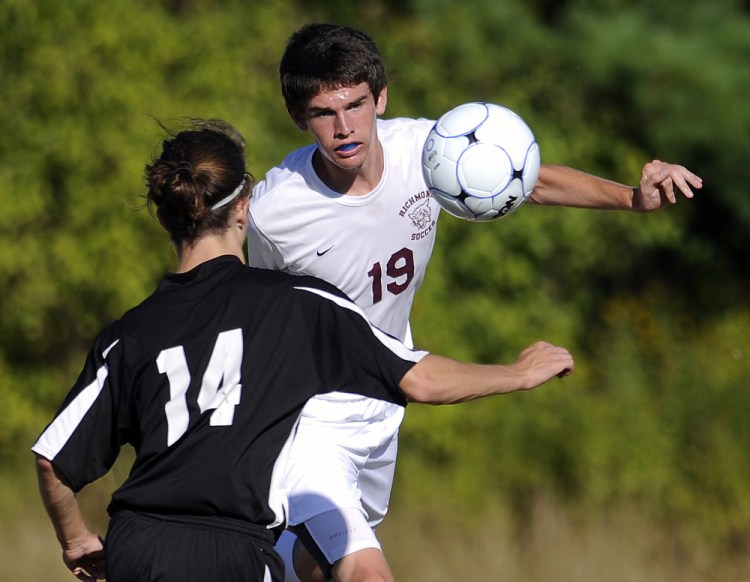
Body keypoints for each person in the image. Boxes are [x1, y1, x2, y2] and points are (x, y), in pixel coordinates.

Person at [246, 23, 704, 582]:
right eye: (323, 112)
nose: (344, 127)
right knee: (367, 575)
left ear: (381, 97)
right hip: (311, 415)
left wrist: (635, 200)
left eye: (356, 105)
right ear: (298, 118)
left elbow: (526, 182)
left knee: (315, 566)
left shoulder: (428, 148)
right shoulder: (274, 210)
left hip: (385, 402)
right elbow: (252, 319)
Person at [32, 119, 574, 582]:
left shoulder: (131, 333)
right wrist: (517, 372)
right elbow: (421, 380)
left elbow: (53, 460)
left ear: (165, 216)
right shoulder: (295, 305)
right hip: (233, 551)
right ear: (243, 207)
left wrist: (77, 540)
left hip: (138, 546)